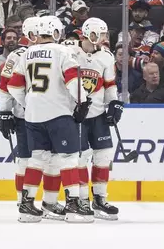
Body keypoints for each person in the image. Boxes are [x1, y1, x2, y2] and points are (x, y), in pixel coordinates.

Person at [6, 15, 92, 223]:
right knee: (68, 158)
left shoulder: (26, 53)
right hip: (58, 113)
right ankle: (73, 206)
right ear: (55, 32)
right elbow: (73, 81)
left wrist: (29, 103)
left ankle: (26, 206)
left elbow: (13, 86)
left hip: (33, 115)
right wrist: (82, 102)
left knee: (37, 158)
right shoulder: (63, 51)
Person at [0, 16, 65, 220]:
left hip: (50, 114)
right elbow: (5, 86)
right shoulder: (17, 55)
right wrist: (4, 111)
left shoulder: (54, 52)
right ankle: (23, 202)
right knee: (26, 160)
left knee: (54, 160)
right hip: (25, 117)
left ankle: (50, 203)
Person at [66, 18, 122, 220]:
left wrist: (114, 103)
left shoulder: (106, 55)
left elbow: (109, 84)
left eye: (106, 34)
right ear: (90, 33)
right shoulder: (71, 52)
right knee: (80, 158)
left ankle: (100, 199)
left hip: (98, 114)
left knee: (104, 156)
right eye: (102, 34)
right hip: (76, 114)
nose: (105, 38)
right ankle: (81, 199)